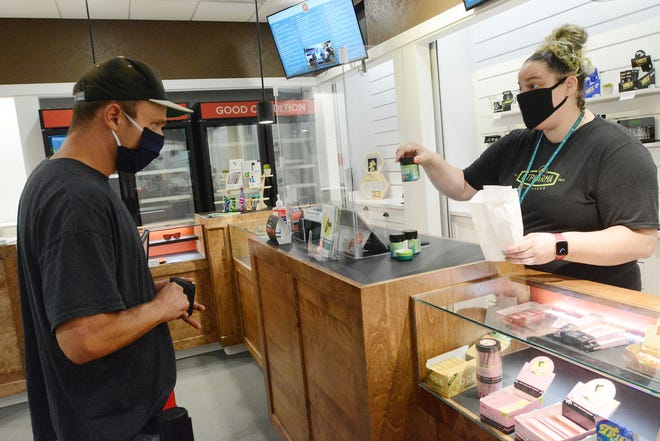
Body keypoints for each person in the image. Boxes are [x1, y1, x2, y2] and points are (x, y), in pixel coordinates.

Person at [17, 56, 205, 441]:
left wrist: (145, 293)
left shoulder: (54, 178)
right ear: (115, 116)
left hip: (104, 414)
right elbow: (82, 339)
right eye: (153, 125)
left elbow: (74, 297)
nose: (157, 138)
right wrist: (158, 309)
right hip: (111, 424)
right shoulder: (75, 197)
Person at [396, 24, 659, 290]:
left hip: (597, 298)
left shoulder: (616, 148)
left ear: (569, 85)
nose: (525, 96)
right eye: (521, 88)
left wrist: (558, 245)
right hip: (528, 291)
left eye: (534, 85)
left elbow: (640, 240)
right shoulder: (517, 143)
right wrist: (431, 160)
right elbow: (463, 187)